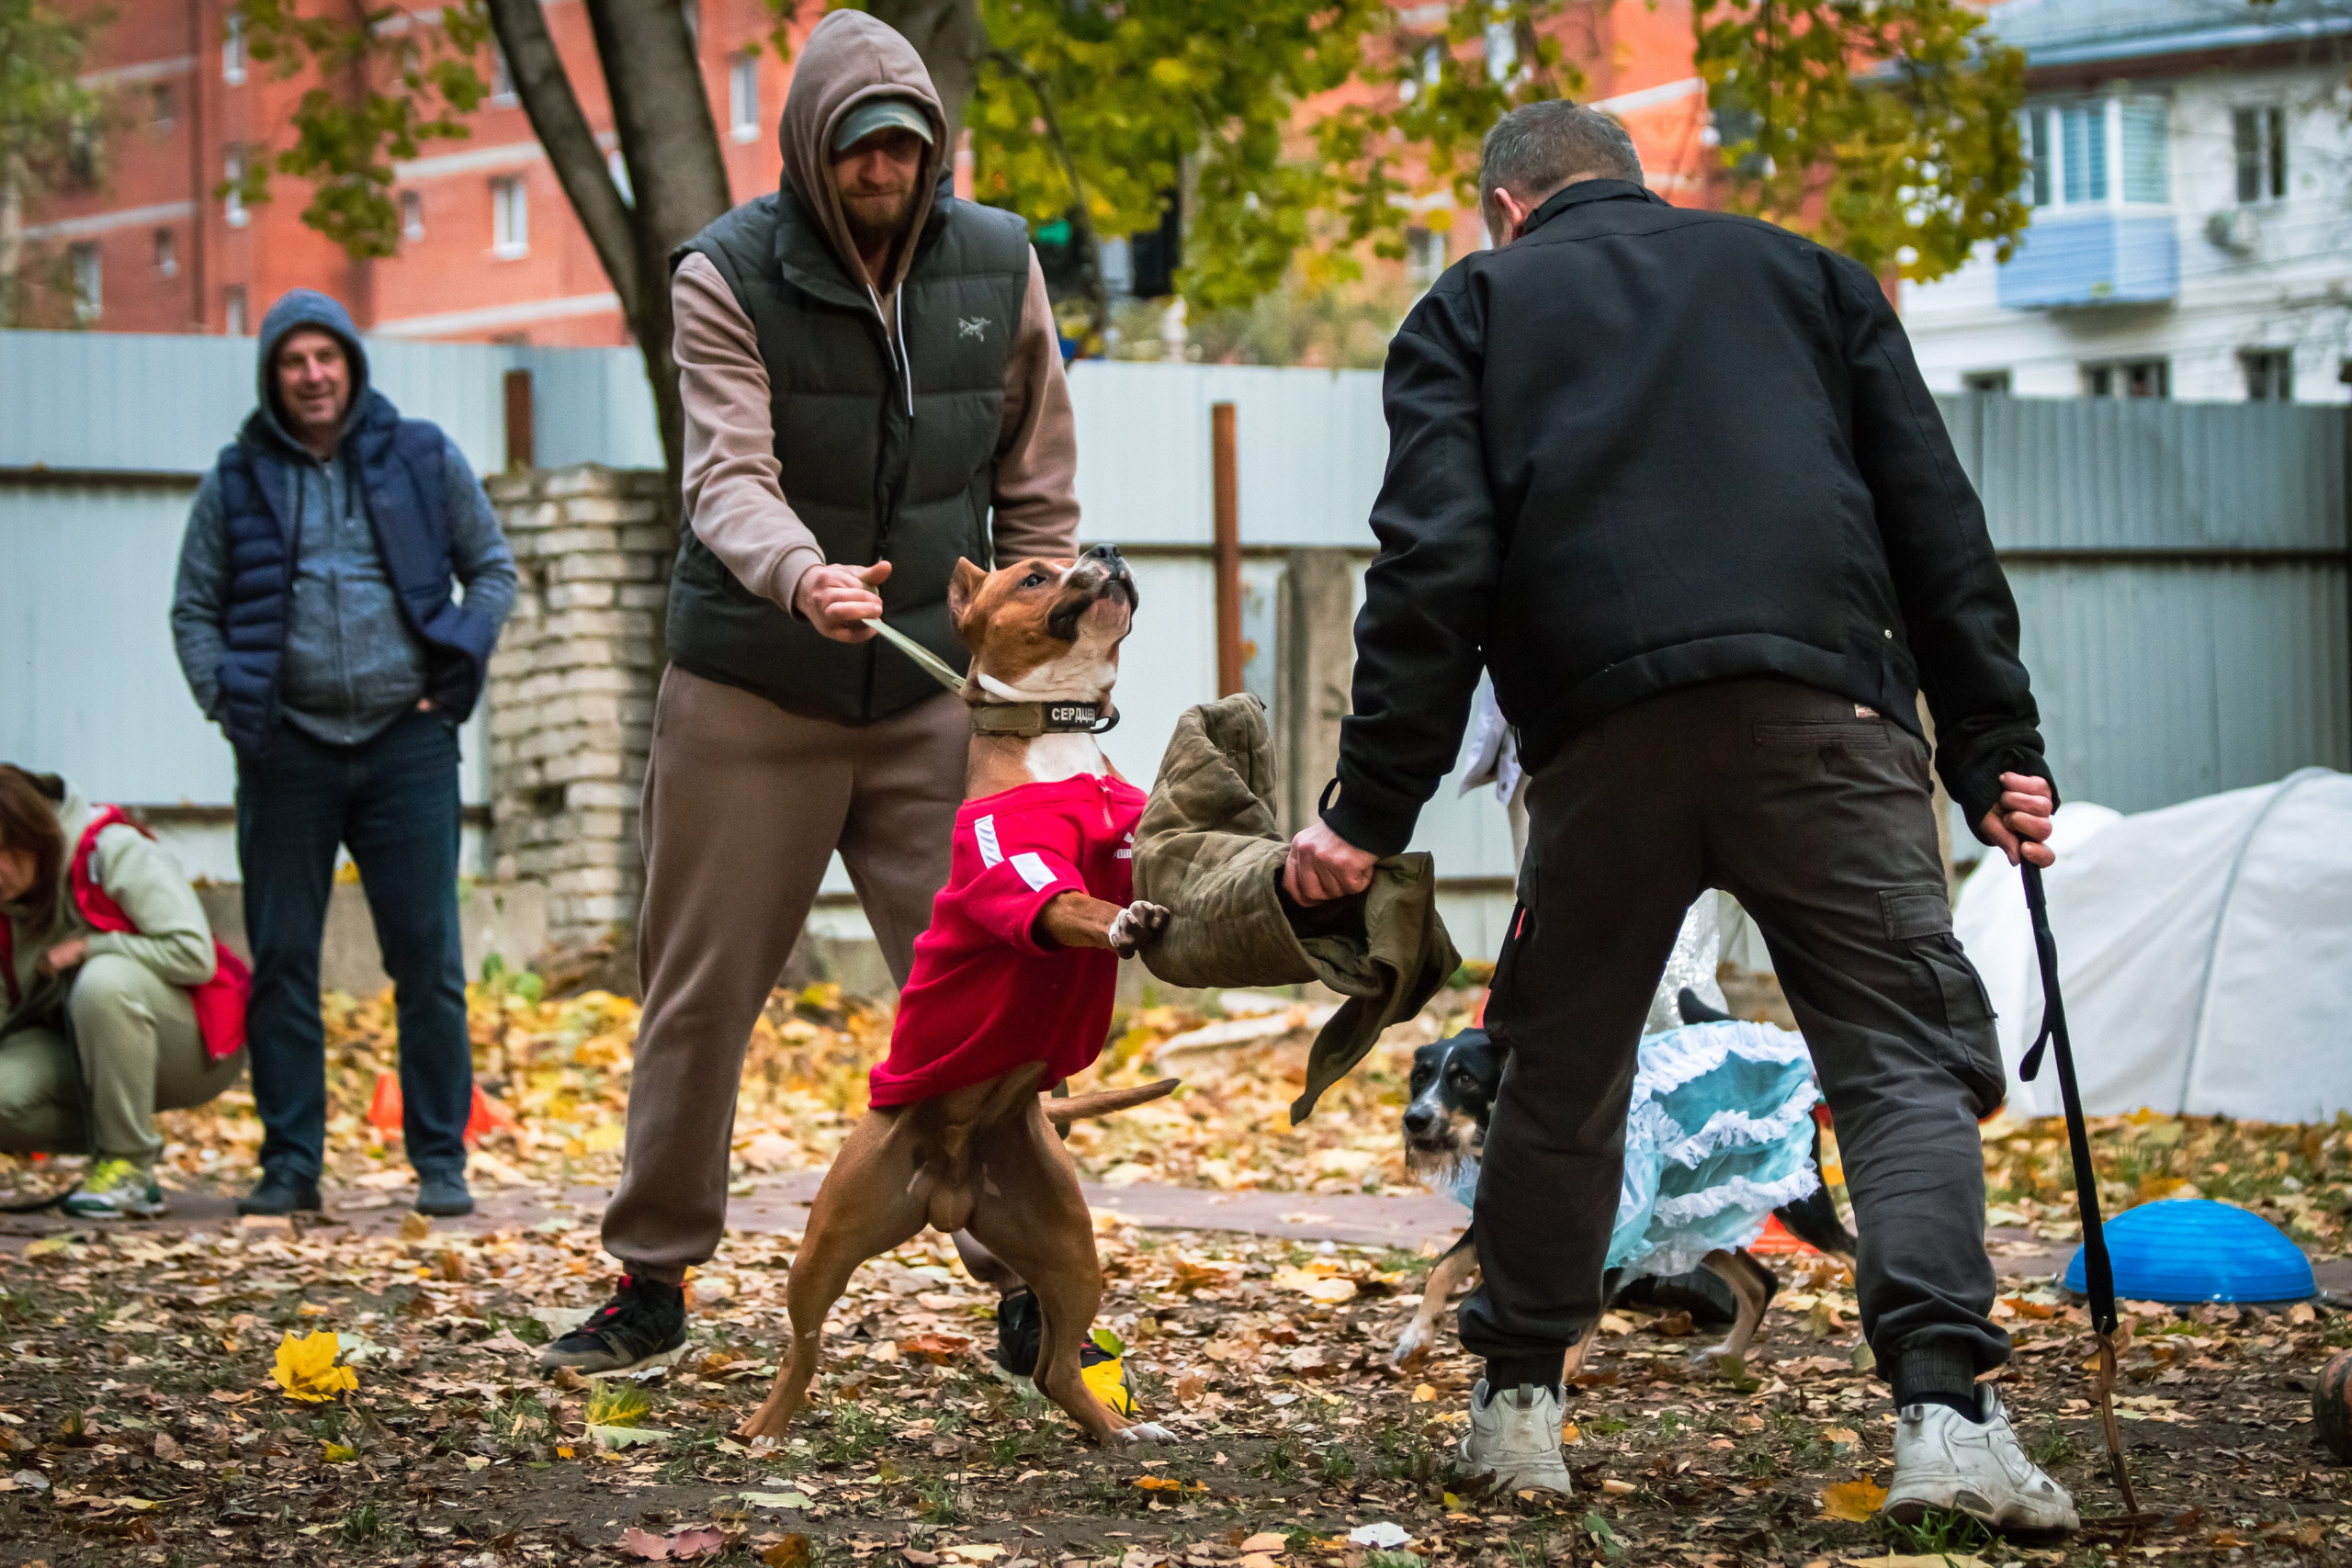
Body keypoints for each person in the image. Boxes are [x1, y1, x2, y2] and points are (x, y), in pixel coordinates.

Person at [1283, 102, 2077, 1532]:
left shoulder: (1472, 306)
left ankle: (1520, 1412)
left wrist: (1366, 810)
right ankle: (1949, 1422)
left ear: (1506, 212)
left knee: (1563, 1064)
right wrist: (1995, 747)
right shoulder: (1810, 277)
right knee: (1897, 1058)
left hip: (1603, 739)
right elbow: (1933, 522)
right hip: (1828, 717)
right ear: (1634, 186)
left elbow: (1431, 568)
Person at [539, 10, 1081, 1374]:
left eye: (906, 144)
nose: (885, 167)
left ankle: (1029, 1268)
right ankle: (650, 1281)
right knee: (700, 991)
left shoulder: (999, 261)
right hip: (755, 684)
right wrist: (802, 576)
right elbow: (723, 471)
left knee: (991, 993)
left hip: (927, 701)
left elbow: (1038, 478)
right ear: (811, 148)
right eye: (860, 147)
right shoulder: (726, 272)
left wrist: (1037, 651)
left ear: (934, 150)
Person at [170, 289, 516, 1220]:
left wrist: (452, 676)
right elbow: (193, 610)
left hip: (408, 744)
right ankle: (290, 1164)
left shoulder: (420, 455)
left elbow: (491, 571)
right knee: (282, 959)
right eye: (294, 361)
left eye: (327, 357)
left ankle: (441, 1159)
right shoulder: (236, 478)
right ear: (273, 376)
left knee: (428, 961)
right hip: (287, 753)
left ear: (352, 367)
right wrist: (233, 706)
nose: (313, 375)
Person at [0, 767, 247, 1218]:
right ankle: (116, 1133)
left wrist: (90, 946)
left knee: (103, 980)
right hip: (76, 1048)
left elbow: (195, 955)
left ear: (31, 835)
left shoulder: (112, 850)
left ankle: (129, 1167)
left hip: (189, 1045)